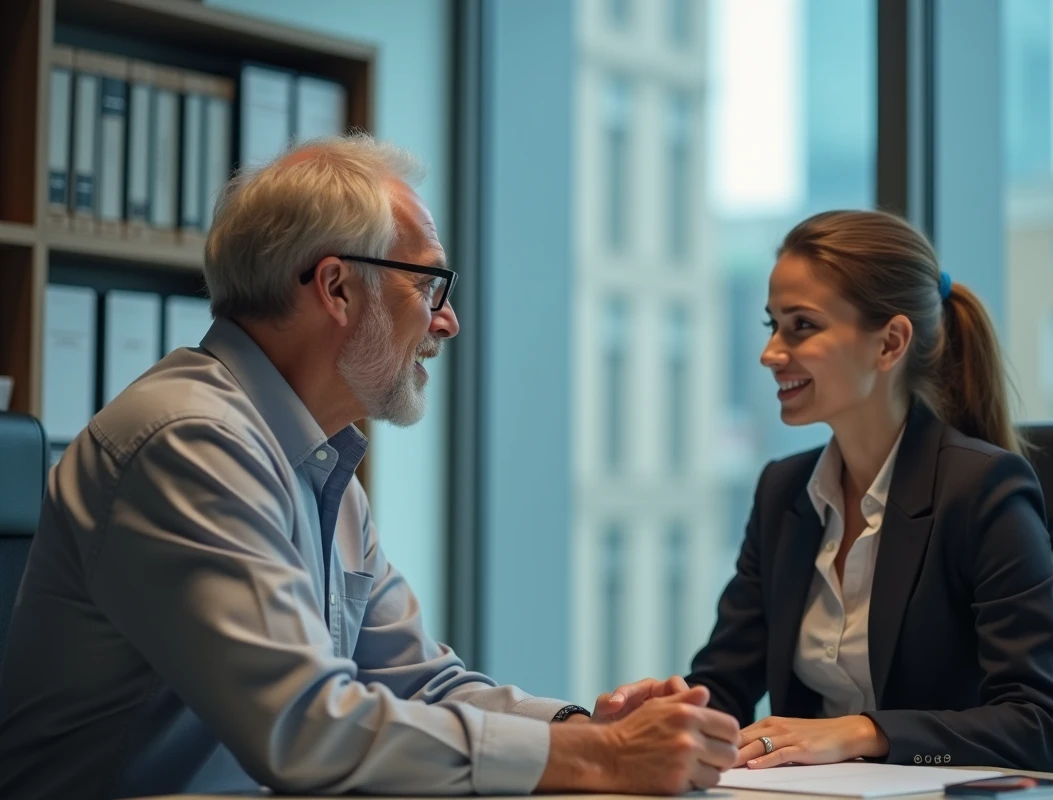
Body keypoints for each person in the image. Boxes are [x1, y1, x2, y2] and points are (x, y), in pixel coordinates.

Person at [0, 135, 739, 799]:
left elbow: (418, 681)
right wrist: (602, 760)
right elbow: (306, 728)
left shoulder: (317, 466)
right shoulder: (189, 443)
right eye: (429, 287)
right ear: (338, 287)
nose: (446, 320)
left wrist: (587, 727)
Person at [679, 210, 1053, 772]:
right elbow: (724, 682)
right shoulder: (783, 492)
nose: (771, 354)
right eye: (773, 325)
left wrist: (865, 733)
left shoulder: (982, 490)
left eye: (802, 326)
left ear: (889, 343)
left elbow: (1039, 727)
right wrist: (669, 715)